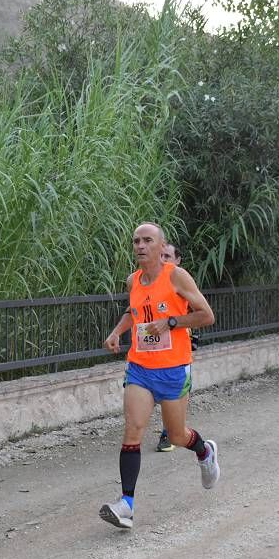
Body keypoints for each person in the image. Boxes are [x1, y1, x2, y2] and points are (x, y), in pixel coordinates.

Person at [100, 223, 219, 529]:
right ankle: (126, 504)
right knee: (133, 430)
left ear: (160, 245)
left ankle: (204, 451)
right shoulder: (134, 281)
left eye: (147, 240)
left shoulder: (176, 276)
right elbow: (134, 311)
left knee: (177, 435)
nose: (140, 245)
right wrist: (116, 332)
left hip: (173, 368)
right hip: (140, 367)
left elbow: (206, 315)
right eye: (136, 241)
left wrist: (172, 322)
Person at [156, 242, 200, 452]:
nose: (162, 260)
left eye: (167, 256)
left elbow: (200, 312)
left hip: (178, 352)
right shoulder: (149, 280)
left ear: (177, 260)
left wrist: (176, 324)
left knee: (174, 394)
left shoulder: (180, 279)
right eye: (160, 256)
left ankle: (170, 433)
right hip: (152, 353)